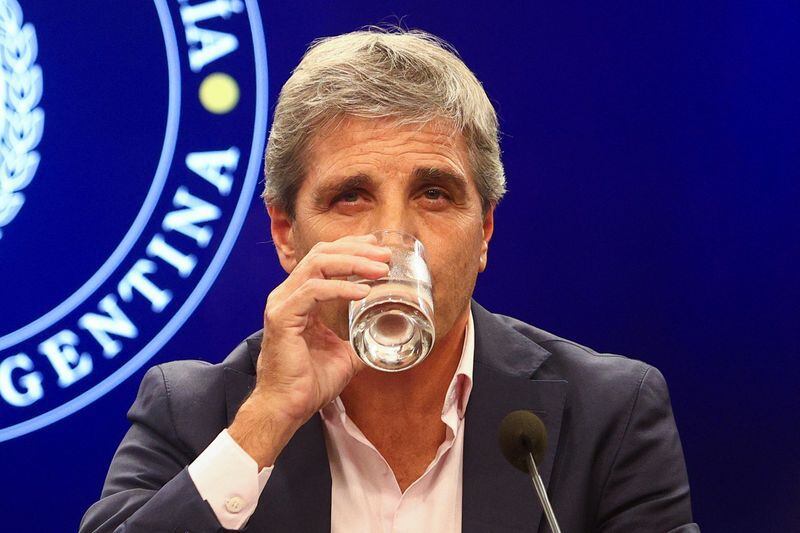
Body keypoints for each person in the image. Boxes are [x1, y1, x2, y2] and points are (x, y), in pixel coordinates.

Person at [81, 28, 698, 532]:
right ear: (285, 233)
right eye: (351, 197)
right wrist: (264, 421)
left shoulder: (610, 414)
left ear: (484, 231)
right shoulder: (192, 413)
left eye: (434, 193)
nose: (392, 237)